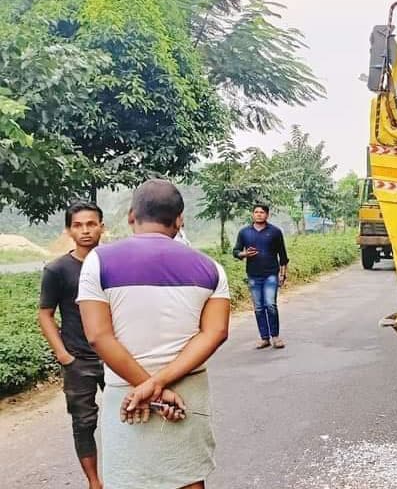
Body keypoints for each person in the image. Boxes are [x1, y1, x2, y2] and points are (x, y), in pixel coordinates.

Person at [78, 179, 230, 489]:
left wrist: (146, 388)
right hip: (186, 392)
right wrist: (160, 386)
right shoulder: (211, 268)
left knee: (130, 479)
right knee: (187, 478)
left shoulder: (98, 262)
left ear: (131, 216)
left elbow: (98, 336)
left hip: (127, 394)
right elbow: (215, 333)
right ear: (179, 219)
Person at [38, 201, 106, 489]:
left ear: (102, 227)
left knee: (131, 412)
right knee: (83, 422)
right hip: (79, 358)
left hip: (114, 355)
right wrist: (63, 354)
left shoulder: (111, 261)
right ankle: (94, 482)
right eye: (78, 225)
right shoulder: (57, 269)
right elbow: (45, 314)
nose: (85, 230)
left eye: (91, 224)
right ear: (68, 230)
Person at [232, 204, 289, 349]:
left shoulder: (275, 232)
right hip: (253, 275)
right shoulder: (245, 232)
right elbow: (236, 251)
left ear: (267, 215)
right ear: (253, 215)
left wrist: (282, 274)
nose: (258, 214)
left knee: (270, 304)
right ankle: (264, 338)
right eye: (256, 212)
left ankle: (275, 336)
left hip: (271, 273)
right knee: (258, 307)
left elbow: (282, 255)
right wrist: (244, 254)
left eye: (262, 212)